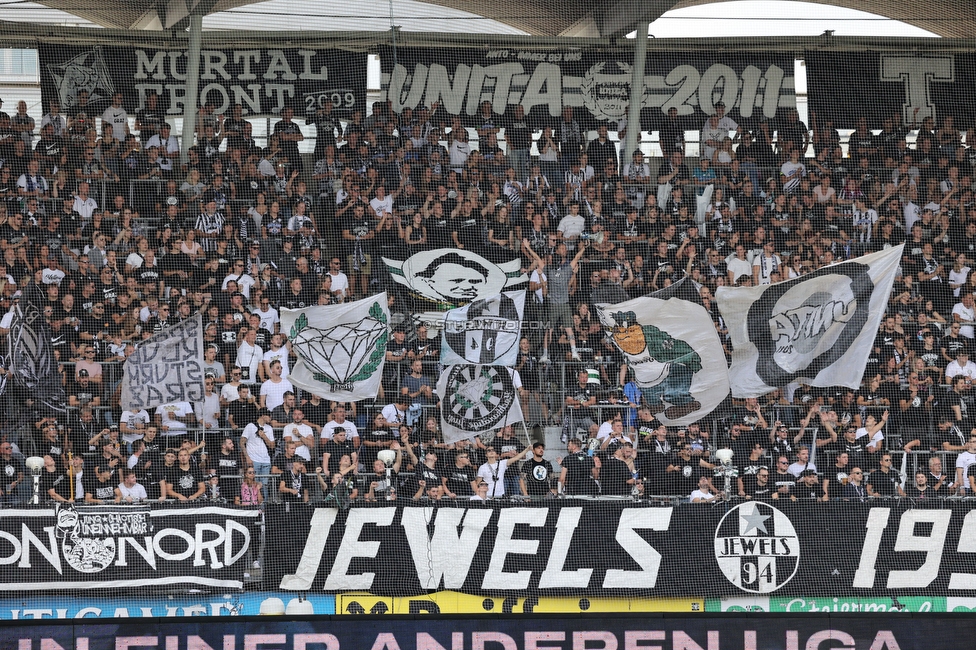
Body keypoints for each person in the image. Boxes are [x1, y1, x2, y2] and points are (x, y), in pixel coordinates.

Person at [241, 408, 275, 489]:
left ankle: (265, 501)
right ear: (263, 416)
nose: (271, 418)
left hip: (266, 460)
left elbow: (272, 446)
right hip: (253, 460)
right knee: (252, 483)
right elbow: (242, 442)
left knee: (265, 485)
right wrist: (247, 457)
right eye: (269, 416)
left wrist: (264, 436)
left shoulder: (269, 428)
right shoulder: (250, 426)